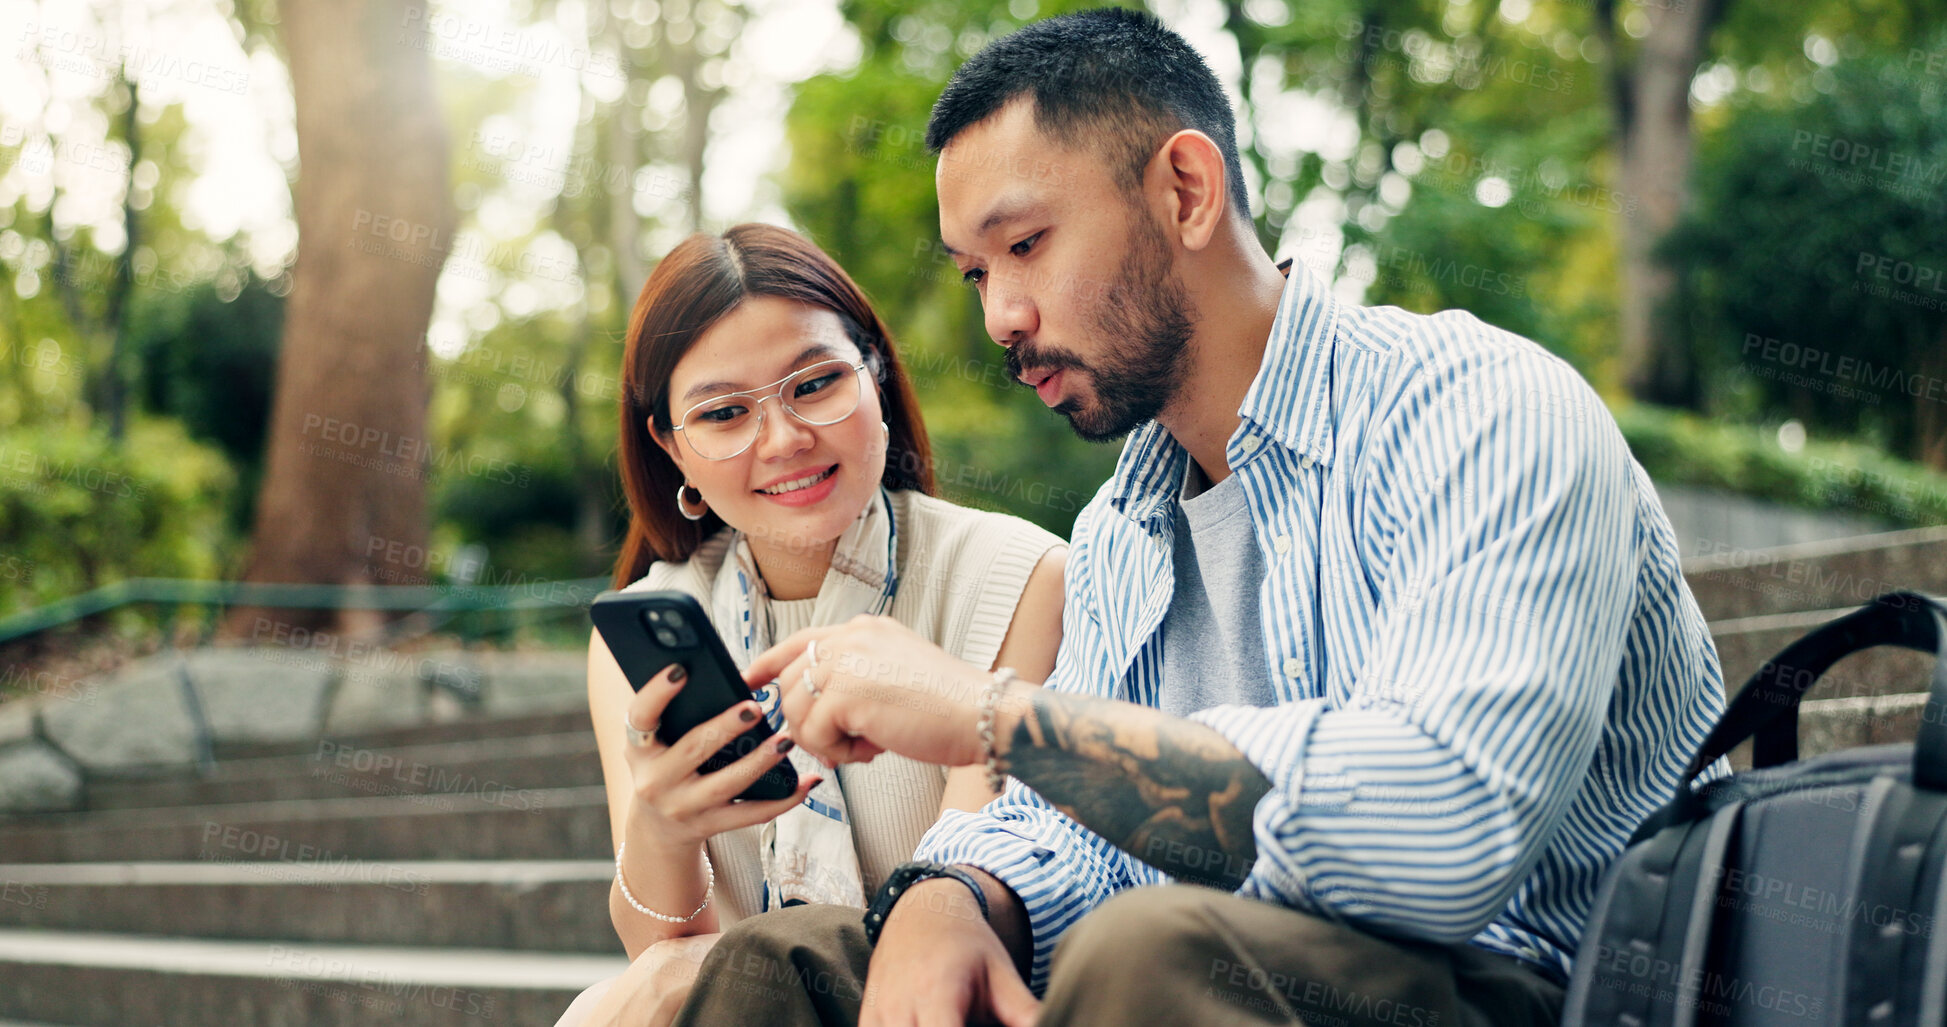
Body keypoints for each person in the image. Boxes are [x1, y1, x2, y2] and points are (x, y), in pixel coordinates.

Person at [668, 9, 1725, 1027]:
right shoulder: (1124, 525)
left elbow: (1442, 832)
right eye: (978, 273)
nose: (1000, 317)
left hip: (1539, 984)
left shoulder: (1481, 407)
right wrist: (952, 896)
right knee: (788, 966)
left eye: (1026, 245)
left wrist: (992, 718)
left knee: (1154, 948)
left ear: (1185, 189)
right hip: (1213, 971)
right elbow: (1077, 830)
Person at [555, 223, 1067, 1027]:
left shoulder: (1018, 577)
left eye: (814, 384)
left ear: (876, 376)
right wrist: (660, 823)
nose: (785, 439)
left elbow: (968, 901)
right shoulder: (643, 632)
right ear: (671, 448)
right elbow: (658, 958)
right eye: (723, 413)